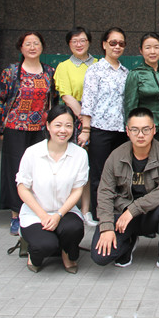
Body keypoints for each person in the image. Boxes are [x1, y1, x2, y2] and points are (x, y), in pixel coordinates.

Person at [91, 107, 159, 277]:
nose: (140, 135)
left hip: (151, 213)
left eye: (146, 129)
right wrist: (106, 227)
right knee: (101, 257)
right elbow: (105, 193)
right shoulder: (116, 156)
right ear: (127, 131)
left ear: (154, 130)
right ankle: (128, 241)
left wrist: (133, 210)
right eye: (135, 130)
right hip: (122, 215)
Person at [0, 31, 56, 237]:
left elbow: (53, 100)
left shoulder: (49, 72)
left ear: (42, 46)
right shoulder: (11, 72)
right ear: (21, 47)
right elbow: (1, 100)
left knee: (39, 171)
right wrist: (0, 127)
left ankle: (36, 210)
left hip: (40, 129)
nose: (32, 47)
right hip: (15, 128)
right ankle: (16, 215)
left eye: (36, 43)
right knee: (16, 171)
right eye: (27, 44)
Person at [16, 106, 88, 273]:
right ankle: (33, 252)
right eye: (58, 125)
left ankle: (66, 253)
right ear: (48, 126)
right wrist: (43, 216)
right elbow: (22, 188)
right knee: (45, 245)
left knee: (74, 229)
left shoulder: (80, 154)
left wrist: (58, 215)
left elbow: (77, 190)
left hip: (65, 212)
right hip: (36, 214)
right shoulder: (32, 153)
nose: (63, 130)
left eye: (68, 126)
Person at [80, 27, 129, 220]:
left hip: (121, 131)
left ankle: (117, 211)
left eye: (121, 43)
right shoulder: (95, 70)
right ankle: (100, 213)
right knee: (99, 173)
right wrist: (85, 129)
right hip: (100, 129)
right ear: (104, 44)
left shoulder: (126, 72)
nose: (117, 47)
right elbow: (88, 101)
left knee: (120, 173)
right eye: (113, 43)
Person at [52, 26, 98, 226]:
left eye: (82, 40)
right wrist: (83, 116)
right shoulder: (64, 67)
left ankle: (86, 210)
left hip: (96, 121)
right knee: (69, 166)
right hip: (73, 120)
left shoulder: (98, 64)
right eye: (74, 41)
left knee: (87, 167)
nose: (79, 44)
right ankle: (64, 208)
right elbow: (66, 95)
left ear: (89, 42)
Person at [124, 33, 159, 151]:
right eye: (148, 48)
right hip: (143, 130)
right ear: (141, 50)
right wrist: (131, 132)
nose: (152, 51)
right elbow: (130, 107)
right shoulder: (135, 74)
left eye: (156, 47)